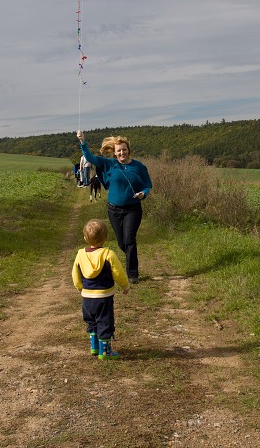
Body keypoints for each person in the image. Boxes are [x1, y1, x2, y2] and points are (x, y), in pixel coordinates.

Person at [76, 130, 152, 284]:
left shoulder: (139, 167)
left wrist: (143, 193)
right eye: (119, 150)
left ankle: (132, 275)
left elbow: (147, 185)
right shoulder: (109, 164)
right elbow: (90, 158)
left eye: (124, 149)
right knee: (121, 242)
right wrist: (83, 142)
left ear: (128, 150)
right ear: (115, 153)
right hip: (114, 209)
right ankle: (132, 256)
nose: (122, 152)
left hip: (133, 209)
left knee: (129, 240)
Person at [72, 219, 129, 360]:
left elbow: (75, 274)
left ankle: (94, 347)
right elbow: (118, 273)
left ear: (85, 238)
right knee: (104, 321)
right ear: (106, 238)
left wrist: (80, 287)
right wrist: (125, 286)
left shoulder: (80, 254)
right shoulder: (108, 254)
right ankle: (105, 352)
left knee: (91, 321)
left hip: (87, 297)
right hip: (104, 296)